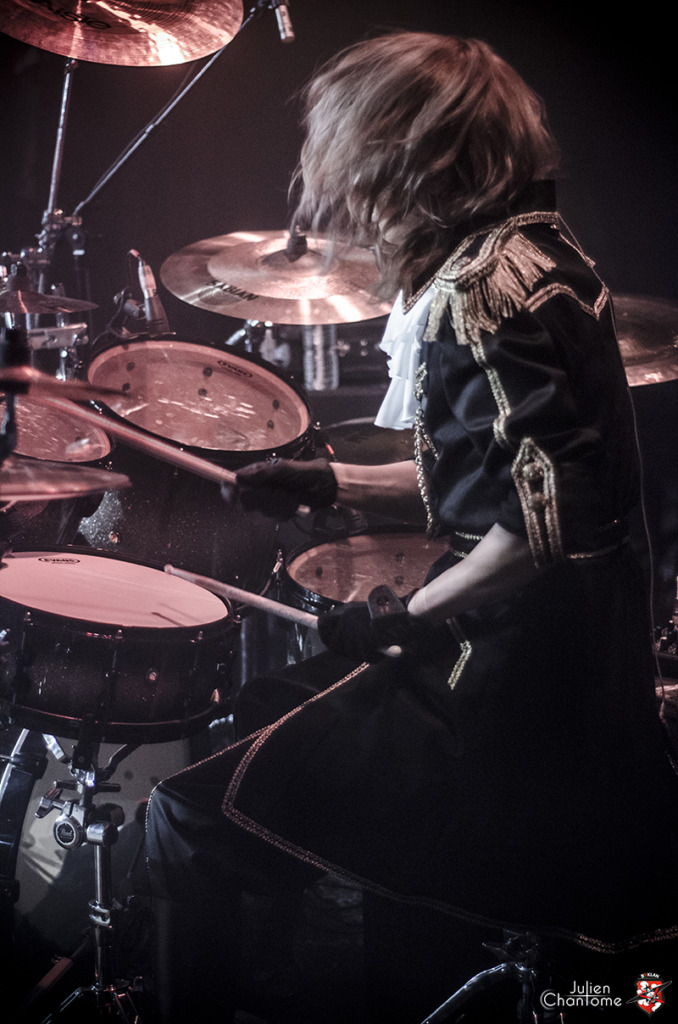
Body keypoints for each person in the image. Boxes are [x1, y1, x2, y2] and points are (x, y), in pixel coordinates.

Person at [145, 32, 678, 1023]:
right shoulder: (542, 255)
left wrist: (403, 617)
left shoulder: (480, 295)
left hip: (505, 690)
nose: (334, 182)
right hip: (568, 662)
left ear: (399, 155)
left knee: (184, 816)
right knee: (262, 709)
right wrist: (332, 482)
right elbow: (502, 479)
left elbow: (539, 526)